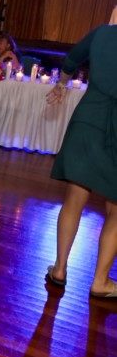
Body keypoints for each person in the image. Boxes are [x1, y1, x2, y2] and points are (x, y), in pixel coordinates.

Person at [45, 24, 117, 299]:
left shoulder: (103, 34)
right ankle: (100, 282)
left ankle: (60, 269)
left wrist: (62, 83)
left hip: (89, 119)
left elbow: (72, 60)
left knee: (75, 199)